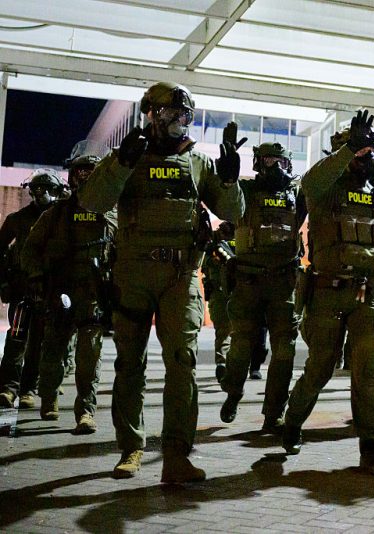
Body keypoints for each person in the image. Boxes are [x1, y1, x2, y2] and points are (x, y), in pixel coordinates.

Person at [79, 81, 245, 483]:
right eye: (171, 114)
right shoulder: (128, 156)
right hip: (133, 275)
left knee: (183, 364)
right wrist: (120, 164)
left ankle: (176, 456)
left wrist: (229, 182)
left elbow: (234, 212)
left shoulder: (196, 161)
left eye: (185, 116)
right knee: (129, 365)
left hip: (180, 277)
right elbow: (93, 201)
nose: (178, 122)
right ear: (150, 114)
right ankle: (131, 448)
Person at [282, 110, 374, 475]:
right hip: (327, 293)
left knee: (368, 370)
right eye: (360, 150)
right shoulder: (324, 190)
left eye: (371, 151)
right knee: (320, 368)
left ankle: (370, 447)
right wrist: (349, 150)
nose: (368, 157)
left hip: (368, 296)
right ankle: (292, 422)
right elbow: (310, 182)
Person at [21, 145, 116, 434]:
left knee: (89, 357)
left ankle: (85, 412)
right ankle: (48, 397)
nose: (86, 178)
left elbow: (126, 251)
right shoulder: (56, 214)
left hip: (94, 296)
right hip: (60, 293)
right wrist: (37, 277)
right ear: (73, 178)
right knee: (53, 353)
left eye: (91, 173)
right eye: (81, 173)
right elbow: (30, 250)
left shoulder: (112, 214)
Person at [219, 142, 306, 433]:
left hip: (283, 284)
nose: (276, 167)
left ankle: (274, 413)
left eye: (282, 161)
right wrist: (227, 179)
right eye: (269, 160)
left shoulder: (297, 195)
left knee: (284, 352)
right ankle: (233, 392)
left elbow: (321, 185)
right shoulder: (245, 192)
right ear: (257, 163)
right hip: (248, 282)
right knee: (241, 347)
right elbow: (226, 203)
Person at [0, 169, 67, 409]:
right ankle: (8, 388)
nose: (42, 194)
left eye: (47, 189)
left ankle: (28, 388)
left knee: (39, 342)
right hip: (23, 290)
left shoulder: (63, 219)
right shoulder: (18, 219)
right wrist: (4, 282)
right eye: (37, 189)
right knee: (17, 338)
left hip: (50, 291)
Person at [202, 220, 236, 382]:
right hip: (226, 293)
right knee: (228, 331)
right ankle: (225, 364)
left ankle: (225, 363)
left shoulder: (216, 244)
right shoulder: (214, 242)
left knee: (225, 332)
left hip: (228, 293)